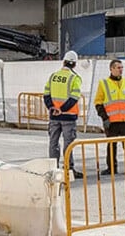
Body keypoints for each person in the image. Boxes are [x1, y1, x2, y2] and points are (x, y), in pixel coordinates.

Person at [93, 59, 125, 176]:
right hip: (111, 121)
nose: (121, 70)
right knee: (112, 145)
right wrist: (104, 118)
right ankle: (111, 168)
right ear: (111, 69)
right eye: (118, 68)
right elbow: (98, 103)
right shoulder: (104, 83)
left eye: (122, 68)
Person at [44, 50, 84, 178]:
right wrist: (62, 109)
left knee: (53, 142)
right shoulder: (74, 78)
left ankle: (53, 168)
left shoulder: (53, 76)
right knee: (69, 144)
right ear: (75, 64)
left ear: (63, 62)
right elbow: (74, 97)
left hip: (54, 116)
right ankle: (68, 169)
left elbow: (46, 94)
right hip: (68, 116)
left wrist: (52, 107)